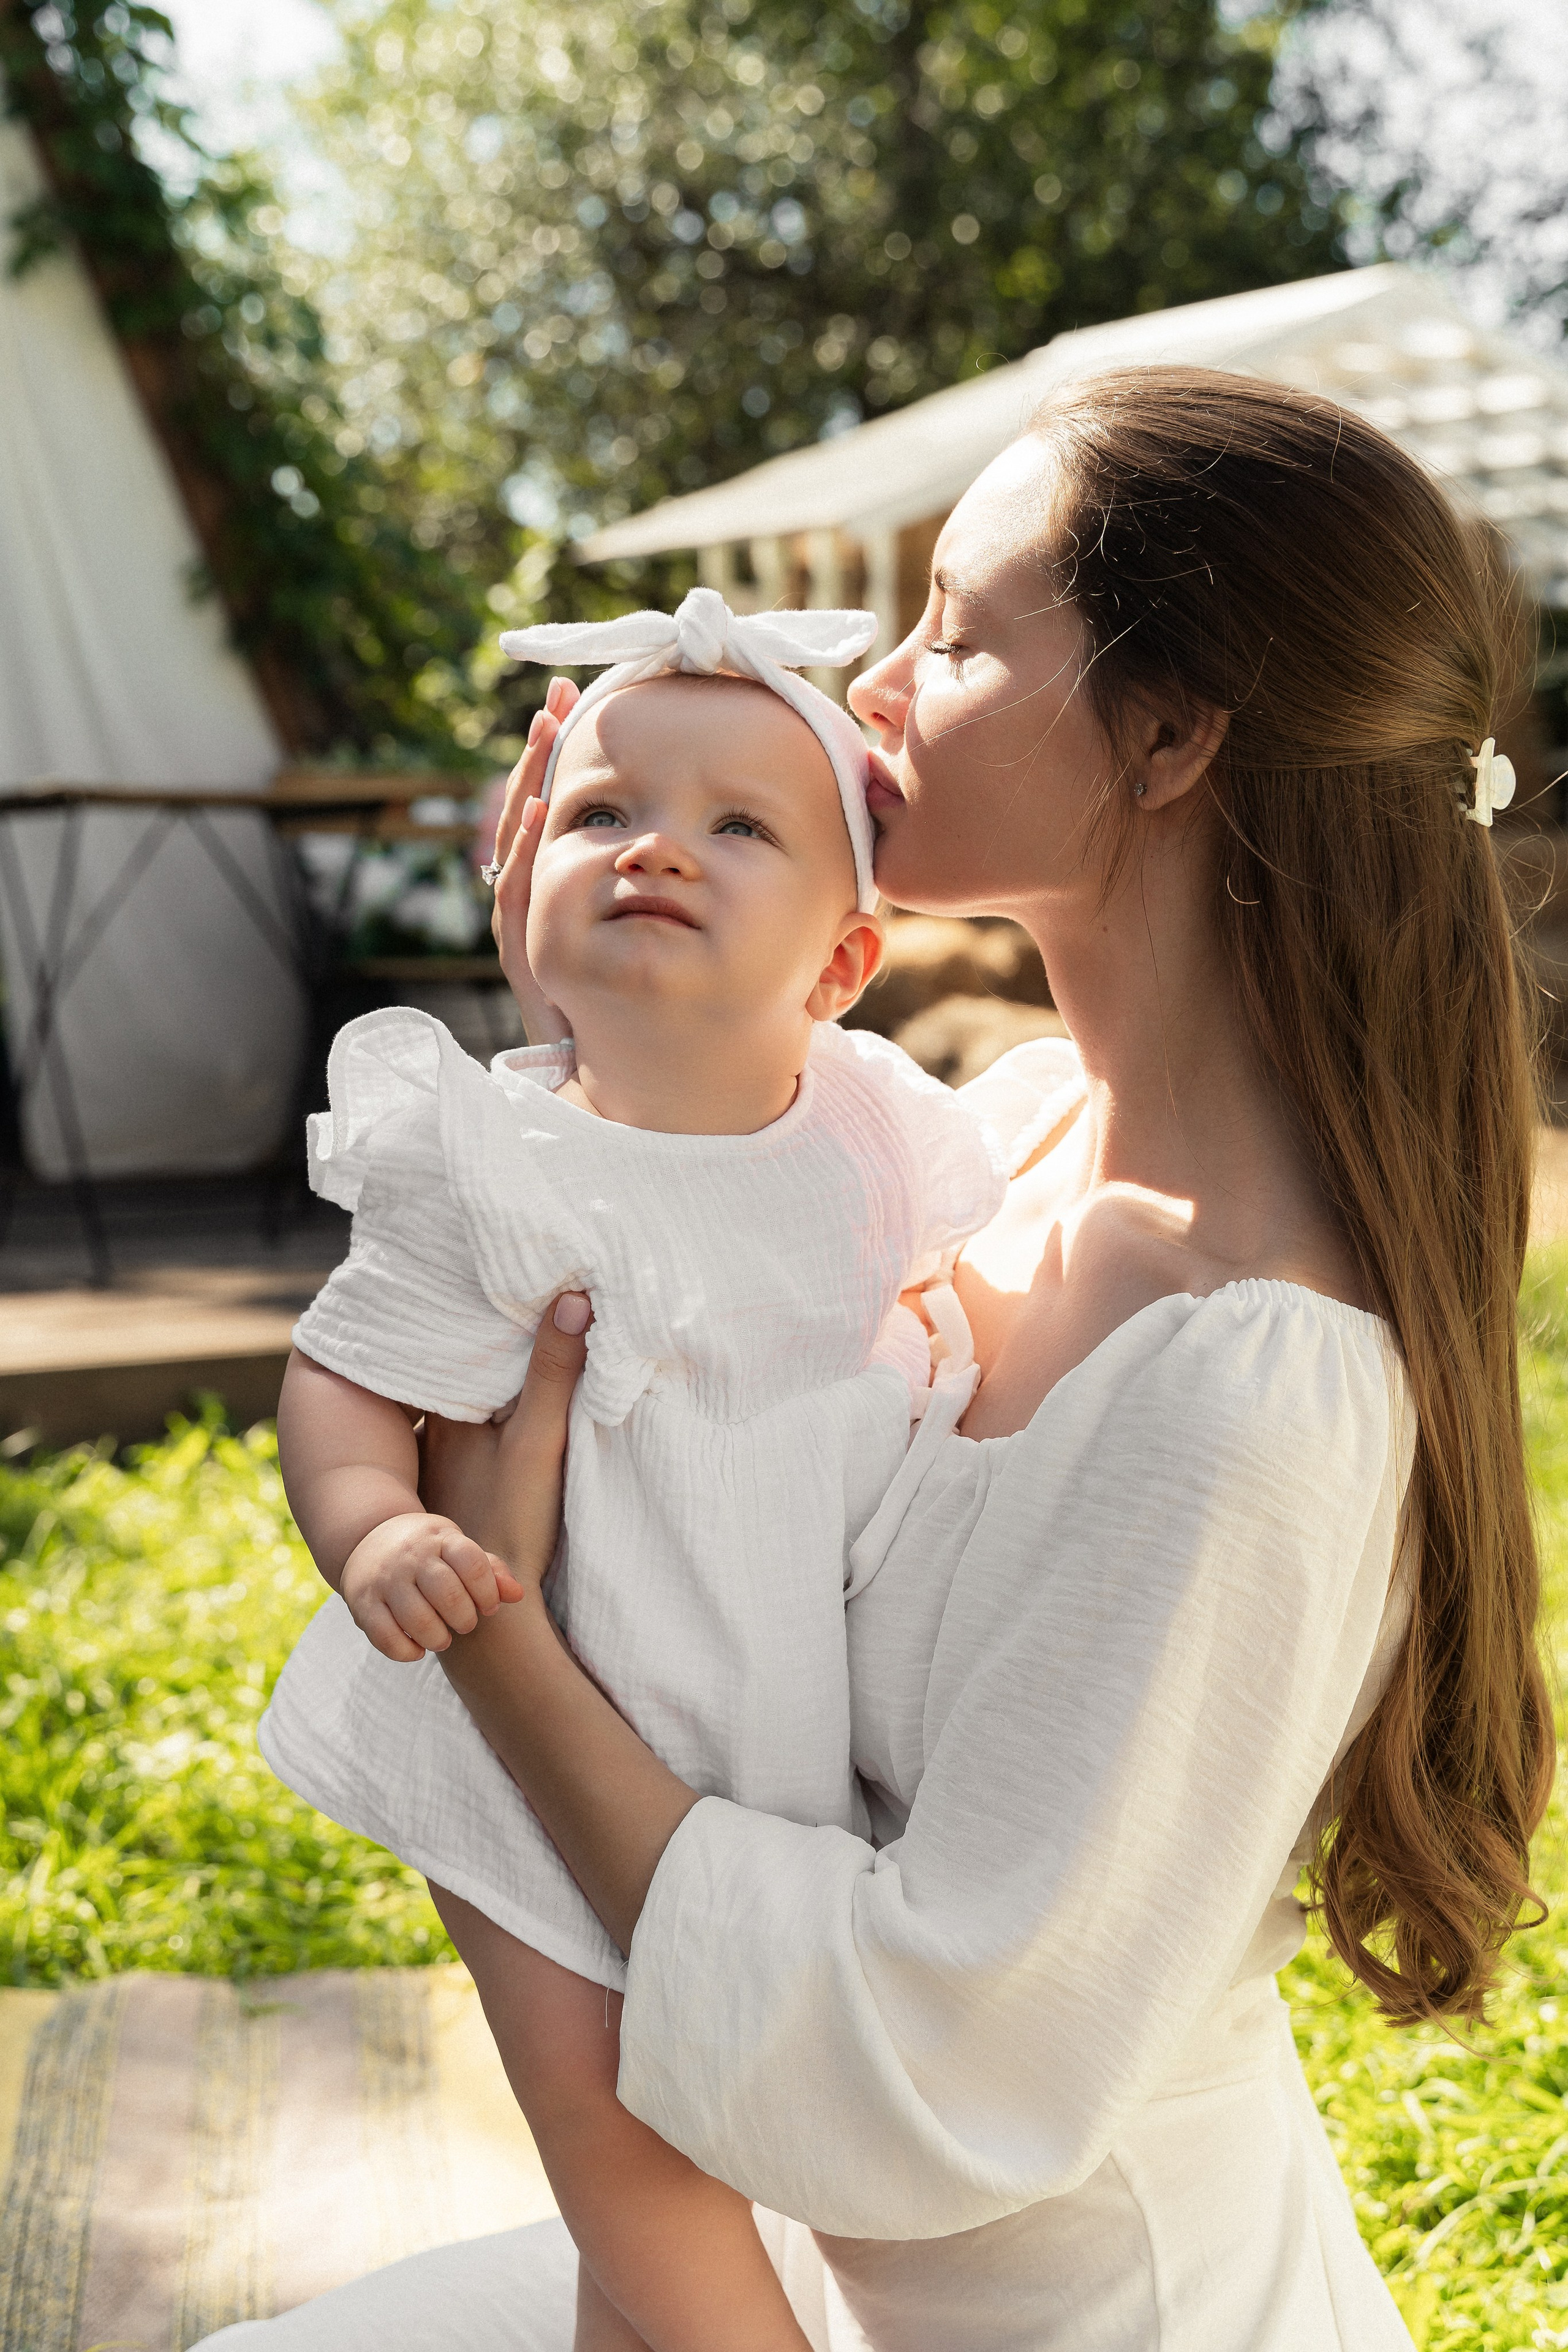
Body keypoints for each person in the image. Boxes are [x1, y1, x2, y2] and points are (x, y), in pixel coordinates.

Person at [201, 366, 1553, 2352]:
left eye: (954, 628)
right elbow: (675, 1261)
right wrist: (583, 1008)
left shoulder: (1257, 1386)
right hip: (783, 2268)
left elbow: (922, 2063)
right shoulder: (985, 1143)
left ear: (1171, 736)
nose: (880, 691)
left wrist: (492, 1642)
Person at [261, 591, 1005, 2352]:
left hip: (759, 1743)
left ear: (838, 965)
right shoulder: (500, 1164)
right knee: (633, 2162)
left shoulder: (876, 1126)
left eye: (738, 825)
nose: (656, 845)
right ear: (527, 884)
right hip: (513, 1751)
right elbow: (339, 1380)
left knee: (697, 2130)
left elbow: (937, 1308)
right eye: (601, 812)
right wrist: (375, 1533)